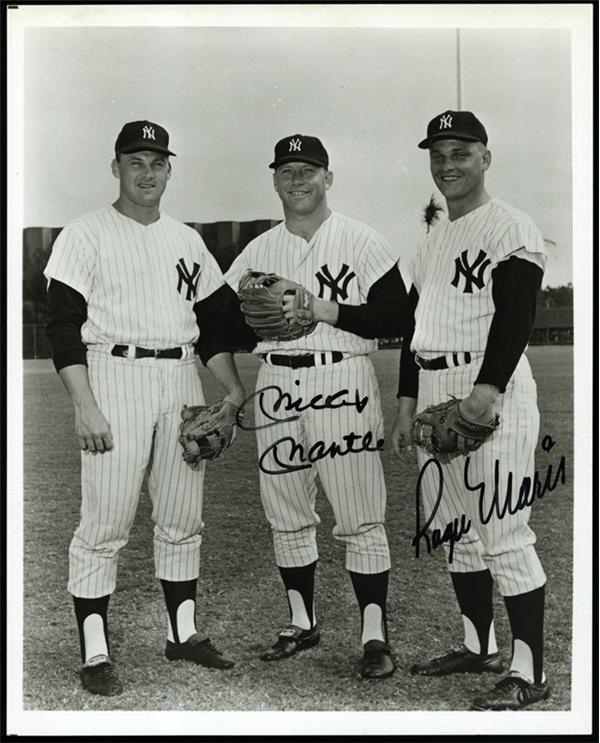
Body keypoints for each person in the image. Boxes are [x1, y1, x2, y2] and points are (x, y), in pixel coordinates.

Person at [44, 120, 246, 696]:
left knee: (183, 517)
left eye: (158, 161)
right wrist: (85, 406)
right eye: (136, 160)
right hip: (114, 374)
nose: (148, 171)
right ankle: (95, 651)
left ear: (169, 169)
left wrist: (231, 394)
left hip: (180, 378)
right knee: (104, 522)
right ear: (116, 167)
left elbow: (212, 328)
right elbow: (61, 328)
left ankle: (181, 635)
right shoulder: (84, 234)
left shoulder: (187, 241)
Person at [225, 133, 412, 679]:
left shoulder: (364, 240)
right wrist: (249, 324)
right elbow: (223, 318)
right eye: (286, 170)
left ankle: (374, 636)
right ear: (275, 180)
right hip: (277, 380)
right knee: (285, 511)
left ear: (328, 178)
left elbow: (397, 319)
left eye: (308, 169)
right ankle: (300, 622)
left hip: (343, 378)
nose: (297, 179)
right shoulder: (256, 252)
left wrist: (325, 309)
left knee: (358, 513)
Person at [392, 110, 550, 710]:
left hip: (488, 382)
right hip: (435, 384)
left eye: (460, 152)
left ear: (485, 157)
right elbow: (413, 330)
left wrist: (487, 392)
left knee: (503, 530)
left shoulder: (511, 226)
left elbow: (516, 316)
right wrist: (408, 404)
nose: (447, 164)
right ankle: (477, 644)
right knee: (456, 531)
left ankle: (529, 671)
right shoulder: (431, 242)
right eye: (438, 153)